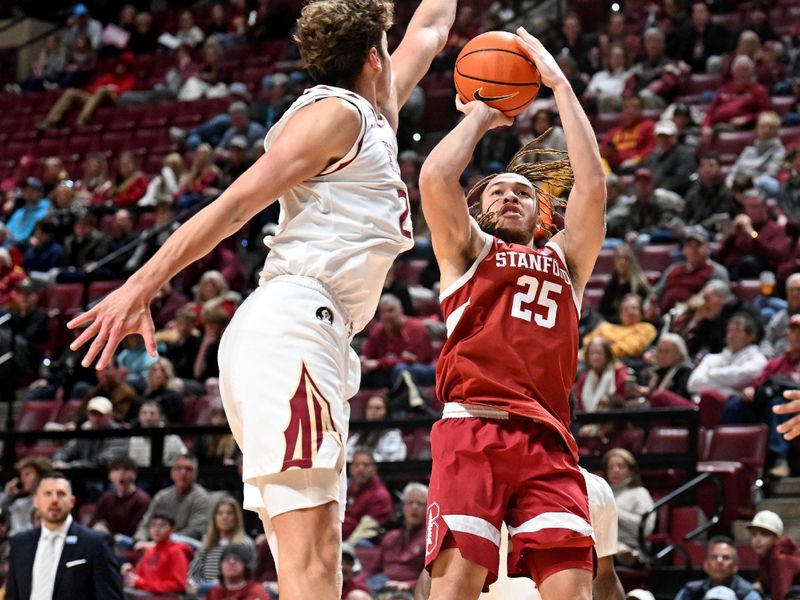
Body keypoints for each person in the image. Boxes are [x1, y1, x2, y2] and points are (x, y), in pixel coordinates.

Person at [68, 1, 457, 598]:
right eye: (387, 43)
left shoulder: (373, 110)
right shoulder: (335, 116)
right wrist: (141, 284)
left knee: (306, 560)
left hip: (305, 331)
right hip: (293, 325)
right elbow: (233, 206)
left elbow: (430, 28)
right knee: (314, 561)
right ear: (375, 57)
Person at [417, 27, 606, 600]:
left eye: (522, 191)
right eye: (496, 190)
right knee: (454, 591)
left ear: (542, 212)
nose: (508, 195)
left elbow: (593, 185)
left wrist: (559, 86)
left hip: (549, 441)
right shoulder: (467, 251)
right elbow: (434, 177)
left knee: (572, 592)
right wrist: (481, 113)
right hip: (474, 428)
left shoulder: (566, 260)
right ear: (478, 210)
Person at [5, 471, 124, 599]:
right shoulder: (20, 543)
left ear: (72, 501)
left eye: (61, 494)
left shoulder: (95, 543)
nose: (54, 500)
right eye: (48, 494)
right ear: (36, 501)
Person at [134, 453, 212, 544]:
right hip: (156, 544)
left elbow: (195, 531)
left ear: (196, 473)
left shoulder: (202, 498)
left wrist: (163, 541)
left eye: (188, 469)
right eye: (178, 468)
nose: (183, 473)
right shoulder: (162, 496)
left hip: (186, 548)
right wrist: (139, 540)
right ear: (172, 472)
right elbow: (146, 523)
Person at [188, 496, 256, 596]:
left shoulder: (244, 543)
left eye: (229, 513)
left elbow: (251, 575)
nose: (225, 517)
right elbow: (194, 574)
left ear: (236, 517)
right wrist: (196, 586)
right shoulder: (207, 544)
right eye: (220, 513)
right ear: (214, 517)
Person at [602, 449, 654, 562]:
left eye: (620, 466)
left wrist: (613, 510)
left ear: (631, 470)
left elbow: (646, 528)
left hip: (632, 549)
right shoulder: (604, 493)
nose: (615, 470)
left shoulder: (639, 493)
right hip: (603, 546)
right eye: (610, 467)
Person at [674, 536, 761, 600]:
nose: (719, 562)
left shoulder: (748, 594)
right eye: (714, 557)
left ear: (735, 565)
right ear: (706, 564)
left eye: (725, 558)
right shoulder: (690, 591)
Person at [123, 513, 190, 594]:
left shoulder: (176, 551)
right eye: (153, 525)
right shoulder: (149, 550)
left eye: (162, 525)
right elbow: (140, 577)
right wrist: (130, 572)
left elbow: (178, 585)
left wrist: (141, 583)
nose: (157, 529)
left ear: (173, 530)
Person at [343, 449, 394, 544]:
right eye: (356, 465)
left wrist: (345, 547)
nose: (360, 469)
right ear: (350, 468)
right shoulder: (347, 488)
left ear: (374, 469)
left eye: (366, 465)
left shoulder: (380, 496)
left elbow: (365, 530)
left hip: (361, 542)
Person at [747, 510, 800, 600]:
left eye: (764, 534)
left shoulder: (780, 559)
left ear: (777, 539)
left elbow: (780, 596)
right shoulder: (765, 554)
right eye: (754, 534)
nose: (757, 539)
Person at [93, 456, 151, 537]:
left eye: (126, 469)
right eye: (116, 470)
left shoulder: (142, 499)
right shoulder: (106, 498)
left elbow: (137, 530)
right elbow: (96, 521)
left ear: (135, 474)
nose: (121, 473)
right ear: (110, 475)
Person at [347, 394, 407, 462]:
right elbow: (346, 455)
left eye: (378, 408)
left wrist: (367, 460)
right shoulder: (358, 435)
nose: (373, 412)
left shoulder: (392, 435)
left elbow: (395, 459)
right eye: (369, 408)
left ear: (386, 412)